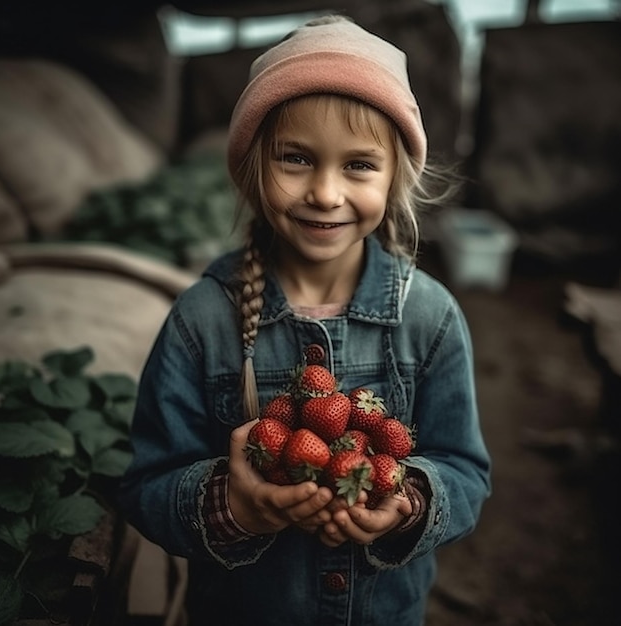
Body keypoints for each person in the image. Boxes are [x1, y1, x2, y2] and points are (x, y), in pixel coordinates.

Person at [120, 14, 491, 626]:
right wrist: (234, 506)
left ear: (396, 176)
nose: (324, 192)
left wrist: (408, 503)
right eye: (296, 158)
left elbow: (464, 468)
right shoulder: (202, 322)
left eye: (359, 165)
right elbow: (148, 484)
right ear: (253, 168)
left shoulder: (430, 319)